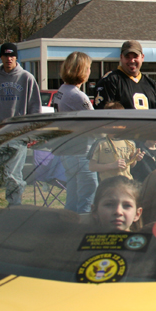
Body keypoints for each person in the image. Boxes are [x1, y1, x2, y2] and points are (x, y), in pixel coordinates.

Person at [0, 42, 42, 205]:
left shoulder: (27, 78)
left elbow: (35, 107)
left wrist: (34, 131)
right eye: (6, 55)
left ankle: (14, 205)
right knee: (1, 171)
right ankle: (13, 199)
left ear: (16, 57)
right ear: (1, 57)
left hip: (19, 132)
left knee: (13, 172)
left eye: (12, 56)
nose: (9, 59)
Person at [54, 51, 99, 213]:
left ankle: (67, 227)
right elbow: (95, 123)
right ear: (81, 70)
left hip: (68, 150)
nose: (89, 72)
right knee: (88, 194)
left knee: (72, 195)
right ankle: (81, 230)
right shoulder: (78, 96)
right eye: (88, 68)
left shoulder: (61, 91)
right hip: (81, 152)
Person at [94, 40, 156, 110]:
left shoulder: (152, 85)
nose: (132, 60)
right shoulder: (110, 80)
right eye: (127, 57)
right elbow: (103, 114)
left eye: (135, 56)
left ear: (142, 57)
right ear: (121, 58)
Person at [88, 102, 144, 181]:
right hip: (108, 186)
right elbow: (92, 167)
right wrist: (111, 166)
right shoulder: (100, 143)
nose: (114, 126)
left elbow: (131, 165)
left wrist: (135, 158)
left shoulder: (130, 143)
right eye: (111, 122)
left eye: (118, 122)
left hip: (126, 183)